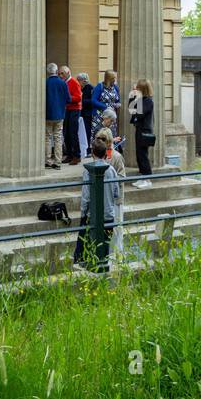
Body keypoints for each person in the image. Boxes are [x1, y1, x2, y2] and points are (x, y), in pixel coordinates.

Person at [73, 136, 123, 268]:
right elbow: (116, 192)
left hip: (93, 216)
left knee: (87, 246)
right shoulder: (111, 170)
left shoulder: (88, 171)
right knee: (104, 247)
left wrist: (83, 213)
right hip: (109, 214)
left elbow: (86, 196)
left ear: (93, 153)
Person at [128, 78, 154, 181]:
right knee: (139, 154)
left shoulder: (148, 101)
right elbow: (131, 109)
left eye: (138, 88)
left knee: (143, 155)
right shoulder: (142, 99)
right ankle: (143, 176)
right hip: (139, 129)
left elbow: (138, 114)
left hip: (145, 131)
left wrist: (135, 97)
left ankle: (147, 178)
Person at [44, 63, 68, 170]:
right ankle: (58, 161)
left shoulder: (45, 82)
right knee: (58, 137)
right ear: (56, 71)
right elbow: (69, 99)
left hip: (48, 114)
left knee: (48, 137)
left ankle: (48, 160)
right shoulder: (62, 83)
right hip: (59, 114)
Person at [61, 65, 82, 164]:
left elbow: (78, 98)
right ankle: (69, 155)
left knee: (73, 133)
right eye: (59, 74)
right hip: (66, 109)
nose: (61, 75)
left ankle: (77, 156)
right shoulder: (64, 82)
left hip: (74, 109)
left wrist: (67, 97)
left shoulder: (74, 82)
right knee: (66, 133)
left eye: (62, 74)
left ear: (68, 73)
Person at [78, 72, 95, 159]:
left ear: (84, 80)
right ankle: (82, 149)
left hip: (88, 113)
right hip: (81, 113)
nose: (78, 82)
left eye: (79, 80)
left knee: (87, 132)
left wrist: (82, 100)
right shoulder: (80, 88)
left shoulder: (90, 88)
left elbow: (92, 101)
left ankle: (88, 149)